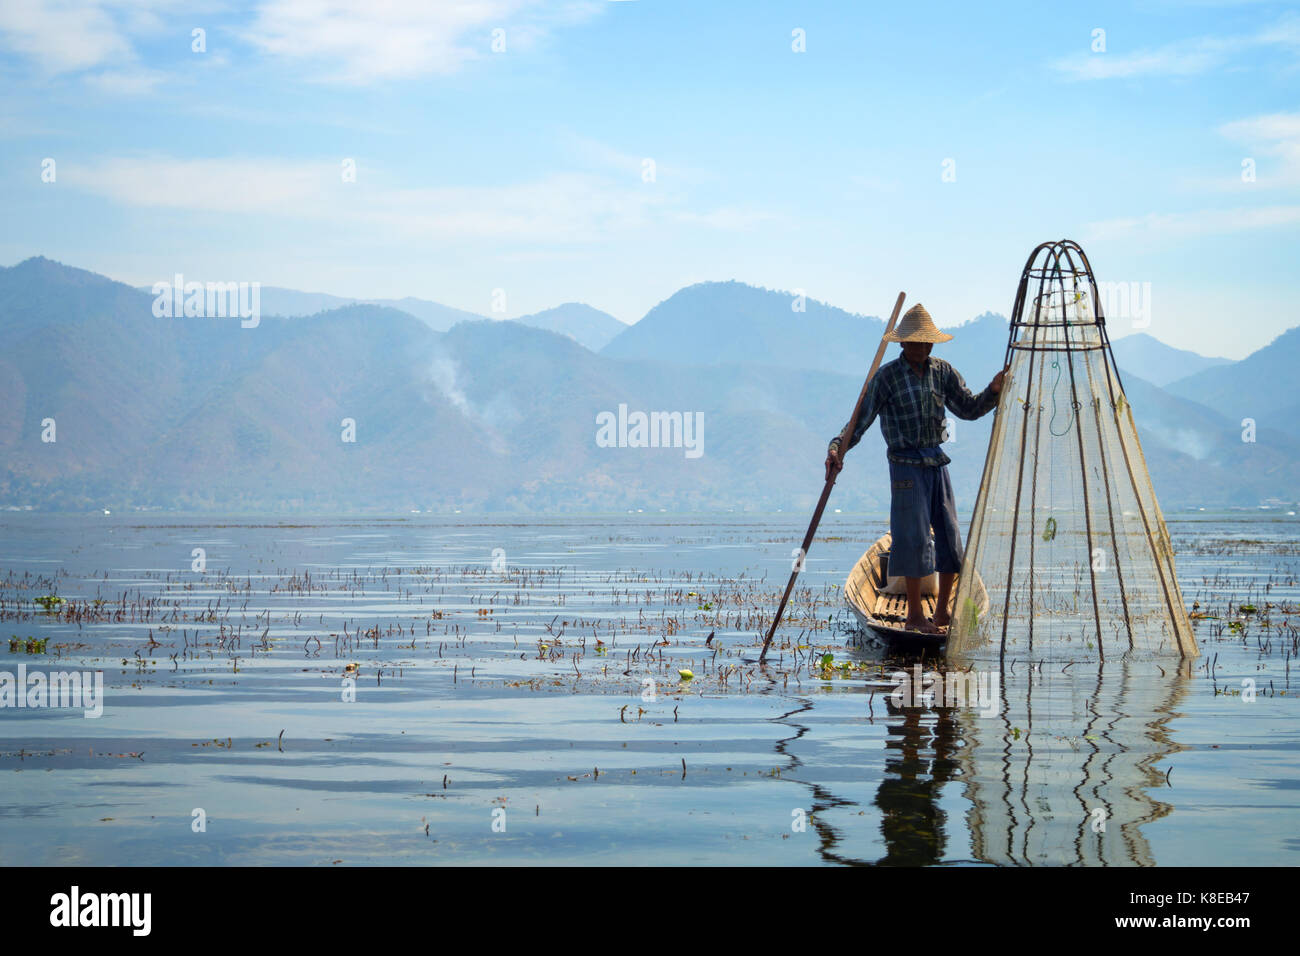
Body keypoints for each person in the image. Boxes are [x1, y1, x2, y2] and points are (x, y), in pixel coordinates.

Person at [825, 304, 1008, 634]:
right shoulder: (887, 378)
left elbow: (968, 408)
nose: (921, 348)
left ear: (932, 345)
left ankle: (940, 614)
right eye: (914, 343)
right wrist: (837, 448)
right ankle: (913, 616)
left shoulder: (943, 372)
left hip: (937, 463)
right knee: (913, 540)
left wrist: (994, 392)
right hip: (906, 466)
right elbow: (859, 422)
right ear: (902, 344)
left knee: (950, 539)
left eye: (926, 343)